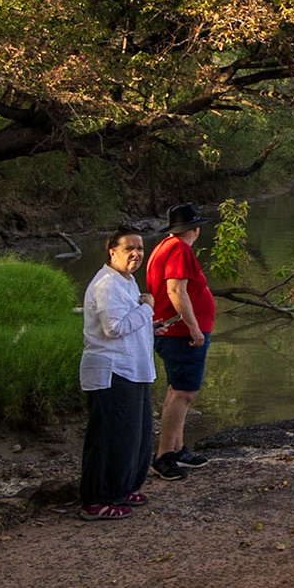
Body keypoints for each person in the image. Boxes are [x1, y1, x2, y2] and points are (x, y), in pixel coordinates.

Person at [78, 228, 157, 520]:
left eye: (140, 248)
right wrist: (147, 310)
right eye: (129, 249)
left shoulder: (128, 280)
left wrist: (151, 324)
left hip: (133, 370)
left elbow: (128, 323)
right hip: (111, 371)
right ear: (113, 251)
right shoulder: (107, 284)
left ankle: (122, 489)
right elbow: (113, 328)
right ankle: (97, 500)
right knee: (110, 436)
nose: (136, 254)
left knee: (136, 435)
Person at [147, 204, 217, 480]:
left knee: (177, 390)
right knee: (184, 393)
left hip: (173, 332)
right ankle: (164, 456)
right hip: (181, 334)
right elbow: (175, 289)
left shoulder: (164, 245)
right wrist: (194, 328)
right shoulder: (180, 249)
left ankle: (177, 449)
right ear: (194, 229)